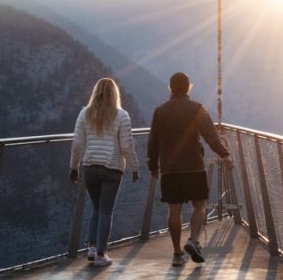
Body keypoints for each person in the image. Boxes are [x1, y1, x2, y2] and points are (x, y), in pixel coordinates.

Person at [148, 72, 233, 267]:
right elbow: (211, 136)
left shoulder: (160, 111)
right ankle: (193, 240)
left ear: (170, 88)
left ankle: (177, 254)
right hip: (194, 166)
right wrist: (225, 154)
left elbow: (153, 142)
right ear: (189, 88)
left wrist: (153, 166)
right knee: (199, 205)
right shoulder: (197, 109)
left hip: (169, 168)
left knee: (174, 209)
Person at [70, 78, 139, 267]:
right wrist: (134, 167)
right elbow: (126, 146)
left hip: (89, 168)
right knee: (106, 211)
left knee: (97, 207)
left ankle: (91, 247)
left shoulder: (85, 114)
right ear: (115, 94)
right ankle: (101, 253)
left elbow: (77, 144)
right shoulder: (122, 115)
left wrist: (73, 168)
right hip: (112, 168)